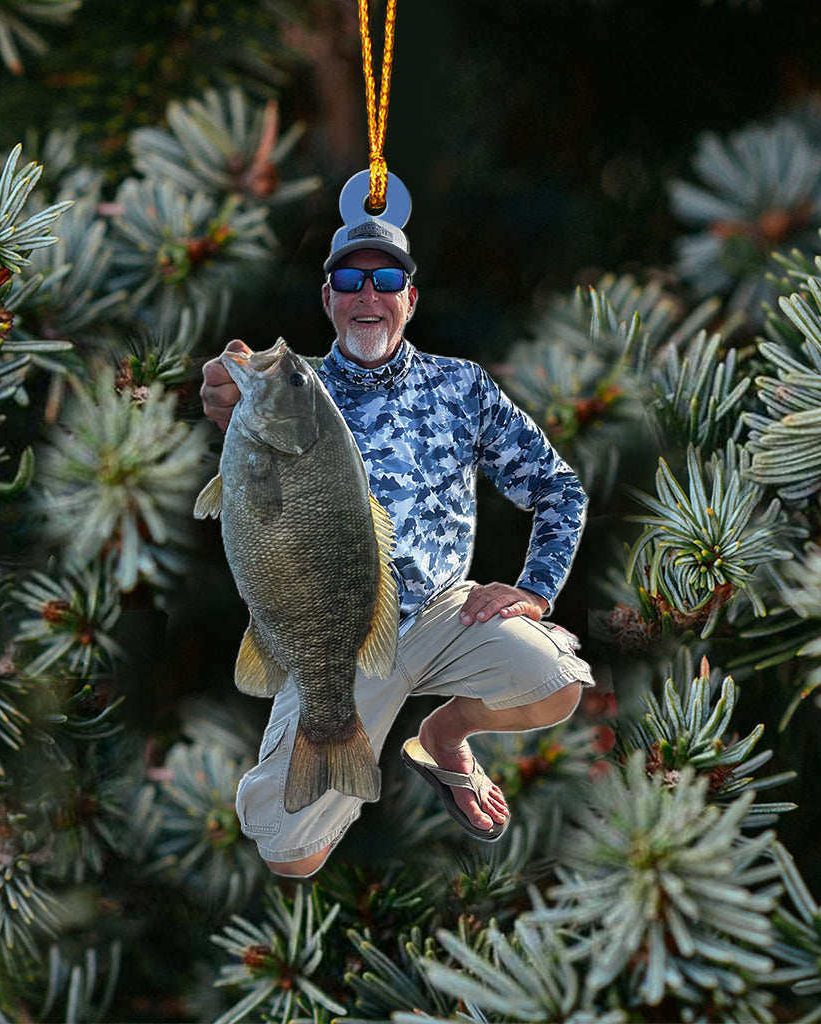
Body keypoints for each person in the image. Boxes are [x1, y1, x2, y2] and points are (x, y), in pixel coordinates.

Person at [200, 198, 594, 878]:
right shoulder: (303, 389)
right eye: (350, 282)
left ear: (410, 297)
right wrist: (222, 397)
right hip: (337, 634)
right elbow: (242, 452)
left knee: (559, 683)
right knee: (293, 859)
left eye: (386, 281)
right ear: (328, 299)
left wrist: (535, 589)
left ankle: (443, 735)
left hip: (446, 612)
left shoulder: (462, 386)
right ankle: (293, 773)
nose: (368, 296)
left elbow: (561, 489)